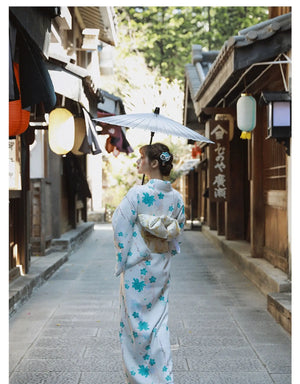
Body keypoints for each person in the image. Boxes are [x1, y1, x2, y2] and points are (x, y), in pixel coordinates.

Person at [112, 142, 185, 384]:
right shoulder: (176, 197)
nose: (137, 162)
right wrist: (166, 250)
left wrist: (122, 258)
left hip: (136, 269)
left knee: (135, 325)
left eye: (141, 158)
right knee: (158, 323)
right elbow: (177, 230)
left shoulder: (137, 194)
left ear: (154, 164)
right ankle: (163, 377)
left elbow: (119, 224)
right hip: (160, 266)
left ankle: (139, 378)